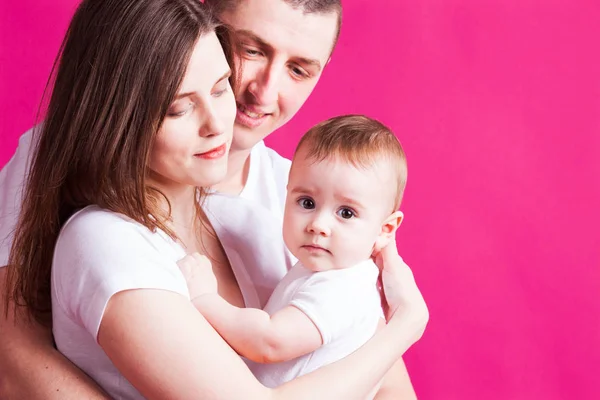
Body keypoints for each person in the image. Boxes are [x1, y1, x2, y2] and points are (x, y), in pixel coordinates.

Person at [3, 0, 427, 399]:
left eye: (299, 69)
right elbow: (13, 355)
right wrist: (405, 326)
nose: (262, 93)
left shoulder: (280, 203)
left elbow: (376, 368)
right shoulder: (99, 225)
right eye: (252, 50)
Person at [183, 115, 408, 396]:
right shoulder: (327, 272)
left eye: (346, 213)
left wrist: (205, 299)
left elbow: (270, 341)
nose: (318, 224)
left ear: (385, 229)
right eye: (307, 203)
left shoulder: (343, 287)